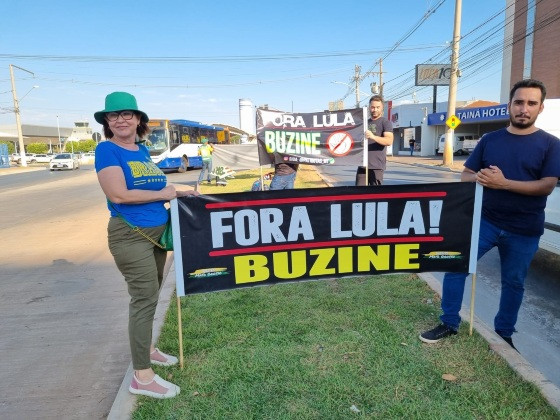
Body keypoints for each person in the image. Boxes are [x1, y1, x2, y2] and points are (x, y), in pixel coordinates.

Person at [419, 79, 560, 350]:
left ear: (540, 108)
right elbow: (466, 175)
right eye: (518, 102)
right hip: (484, 221)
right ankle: (449, 322)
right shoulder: (490, 140)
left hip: (524, 228)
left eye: (531, 103)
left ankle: (504, 334)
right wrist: (482, 178)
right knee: (456, 267)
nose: (523, 109)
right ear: (509, 105)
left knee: (513, 283)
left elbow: (547, 185)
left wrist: (504, 183)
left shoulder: (551, 145)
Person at [94, 92, 198, 399]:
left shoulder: (139, 151)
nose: (121, 120)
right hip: (130, 235)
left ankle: (148, 349)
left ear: (138, 119)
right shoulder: (107, 150)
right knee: (143, 299)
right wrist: (170, 193)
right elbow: (119, 195)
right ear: (107, 123)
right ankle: (141, 376)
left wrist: (179, 192)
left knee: (150, 296)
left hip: (155, 236)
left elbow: (155, 186)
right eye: (114, 116)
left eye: (128, 114)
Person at [356, 95, 394, 186]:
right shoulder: (364, 123)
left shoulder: (385, 122)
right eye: (373, 107)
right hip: (362, 165)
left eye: (378, 107)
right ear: (369, 107)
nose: (375, 109)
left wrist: (373, 137)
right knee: (359, 194)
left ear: (382, 108)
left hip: (376, 166)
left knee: (376, 196)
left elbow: (389, 141)